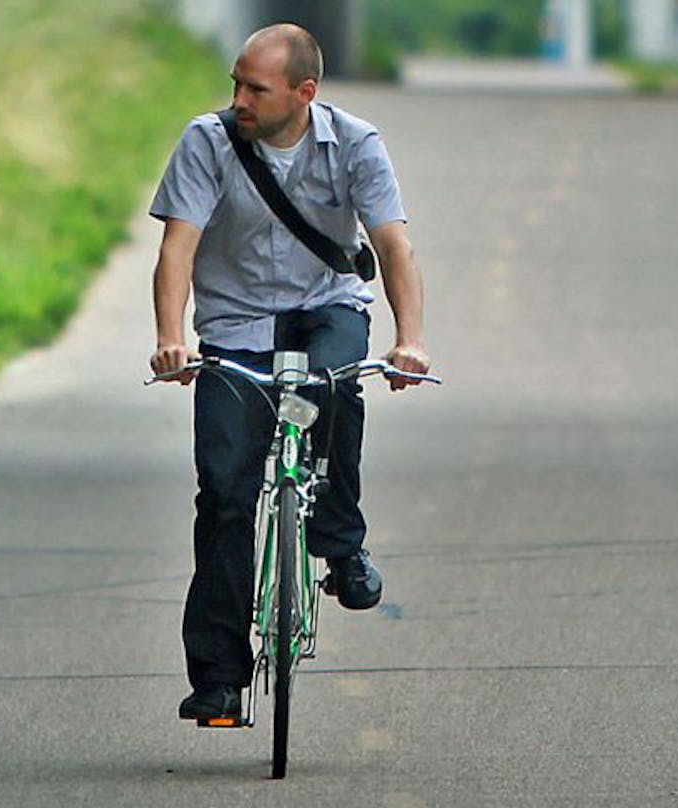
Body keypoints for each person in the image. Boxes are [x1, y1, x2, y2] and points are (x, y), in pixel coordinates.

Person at [148, 24, 432, 721]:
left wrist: (410, 341)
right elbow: (177, 249)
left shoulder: (355, 143)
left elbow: (393, 247)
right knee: (222, 494)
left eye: (256, 88)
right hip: (236, 326)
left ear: (305, 94)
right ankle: (218, 677)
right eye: (237, 83)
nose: (238, 98)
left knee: (336, 389)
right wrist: (170, 339)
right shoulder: (207, 143)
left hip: (323, 307)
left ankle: (339, 544)